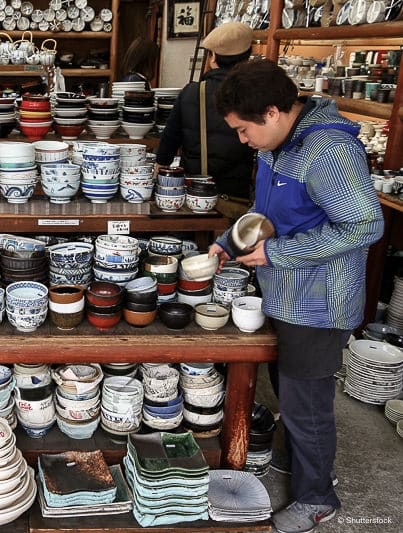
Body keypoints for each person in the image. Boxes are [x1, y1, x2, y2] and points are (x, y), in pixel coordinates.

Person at [209, 59, 384, 533]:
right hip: (281, 293)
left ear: (272, 112)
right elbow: (264, 212)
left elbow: (367, 224)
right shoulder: (280, 142)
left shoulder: (327, 150)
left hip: (317, 301)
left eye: (244, 131)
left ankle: (317, 498)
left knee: (307, 403)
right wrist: (229, 242)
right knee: (288, 390)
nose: (242, 141)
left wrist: (278, 254)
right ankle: (301, 462)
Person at [156, 22, 256, 216]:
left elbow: (168, 144)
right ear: (246, 60)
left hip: (194, 195)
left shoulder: (192, 93)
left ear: (213, 58)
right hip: (236, 197)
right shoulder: (255, 96)